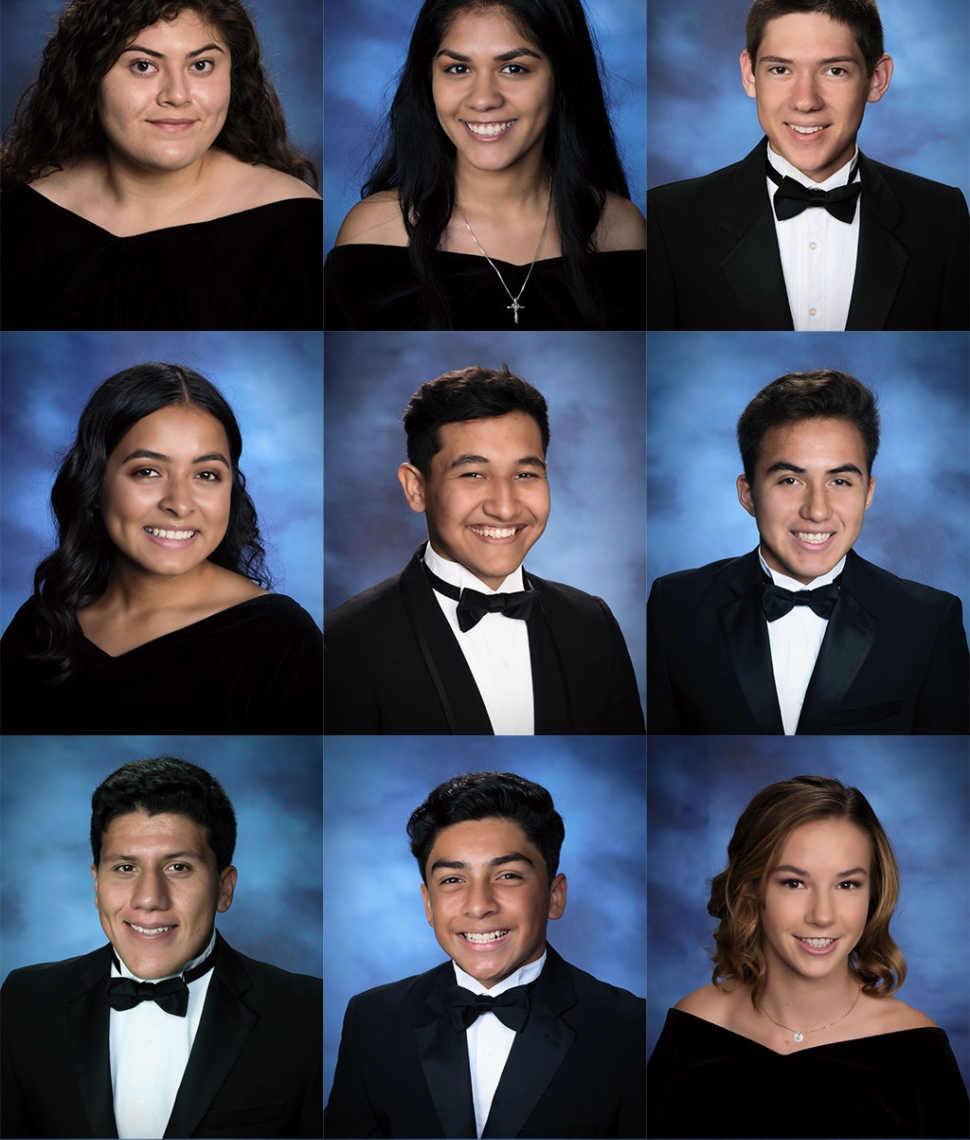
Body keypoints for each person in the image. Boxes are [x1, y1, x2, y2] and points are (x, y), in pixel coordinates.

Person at [324, 0, 646, 332]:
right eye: (458, 68)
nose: (483, 99)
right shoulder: (372, 231)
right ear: (428, 82)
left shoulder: (621, 229)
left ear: (562, 78)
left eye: (514, 68)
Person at [0, 755, 322, 1138]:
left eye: (178, 867)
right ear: (96, 885)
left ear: (224, 888)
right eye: (125, 868)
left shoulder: (306, 1014)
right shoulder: (25, 999)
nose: (149, 899)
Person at [0, 0, 322, 329]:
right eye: (143, 66)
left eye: (201, 65)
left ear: (234, 76)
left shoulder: (295, 229)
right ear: (89, 77)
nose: (177, 94)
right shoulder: (17, 212)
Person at [0, 361, 322, 734]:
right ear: (93, 482)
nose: (180, 503)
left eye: (206, 475)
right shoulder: (43, 623)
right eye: (147, 471)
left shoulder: (281, 640)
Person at [324, 361, 644, 735]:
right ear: (416, 487)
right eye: (473, 474)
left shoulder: (592, 624)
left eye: (525, 474)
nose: (505, 507)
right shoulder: (343, 642)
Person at [647, 367, 970, 734]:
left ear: (868, 493)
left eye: (839, 481)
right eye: (790, 480)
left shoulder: (929, 622)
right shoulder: (673, 606)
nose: (817, 510)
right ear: (748, 494)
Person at [647, 0, 969, 331]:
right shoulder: (668, 221)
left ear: (876, 80)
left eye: (835, 71)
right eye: (781, 70)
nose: (805, 101)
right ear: (750, 74)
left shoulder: (943, 219)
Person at [324, 769, 645, 1137]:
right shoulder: (372, 1019)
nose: (478, 906)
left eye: (507, 876)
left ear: (555, 896)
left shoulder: (631, 1028)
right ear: (428, 904)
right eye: (452, 880)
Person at [647, 772, 969, 1135]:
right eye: (794, 883)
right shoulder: (694, 1024)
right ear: (751, 888)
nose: (822, 915)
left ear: (873, 895)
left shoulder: (918, 1051)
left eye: (847, 884)